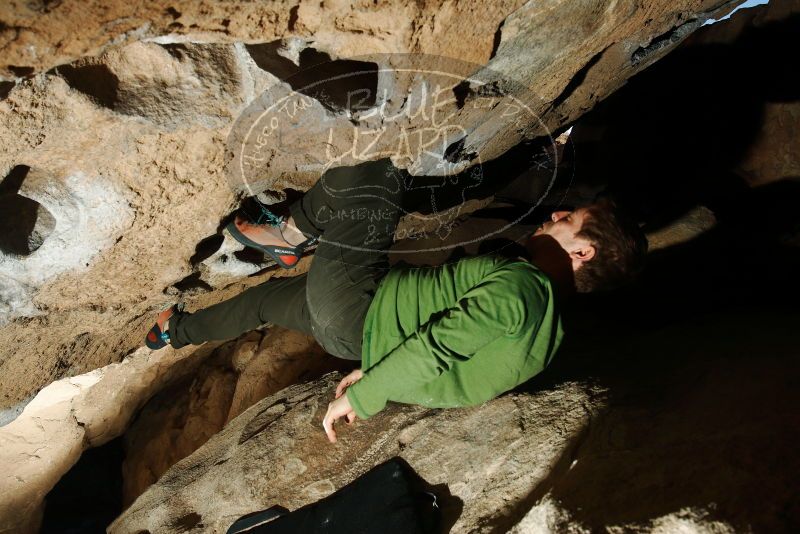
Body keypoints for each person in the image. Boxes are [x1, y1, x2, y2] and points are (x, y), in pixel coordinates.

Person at [144, 158, 647, 443]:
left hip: (359, 308)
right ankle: (173, 330)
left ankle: (292, 232)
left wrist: (364, 396)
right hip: (361, 329)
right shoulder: (544, 327)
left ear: (583, 252)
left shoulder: (523, 291)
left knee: (374, 181)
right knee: (267, 301)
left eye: (570, 218)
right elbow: (465, 381)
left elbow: (438, 350)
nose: (557, 213)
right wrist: (377, 369)